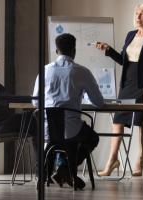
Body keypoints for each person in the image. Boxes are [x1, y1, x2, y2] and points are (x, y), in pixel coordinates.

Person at [95, 3, 143, 177]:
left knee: (142, 123)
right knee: (118, 120)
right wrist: (109, 50)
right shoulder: (130, 35)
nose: (138, 16)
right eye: (136, 13)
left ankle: (141, 160)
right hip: (127, 84)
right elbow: (123, 60)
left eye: (142, 14)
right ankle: (112, 160)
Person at [32, 33, 104, 189]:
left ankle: (58, 170)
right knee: (92, 138)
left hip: (48, 131)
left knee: (55, 140)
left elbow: (35, 101)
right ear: (74, 50)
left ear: (56, 51)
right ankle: (65, 169)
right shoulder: (82, 72)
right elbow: (99, 102)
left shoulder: (44, 71)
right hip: (72, 131)